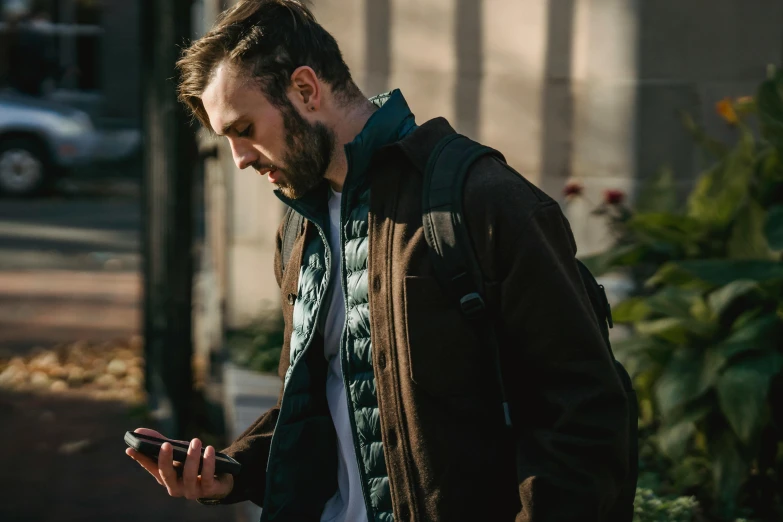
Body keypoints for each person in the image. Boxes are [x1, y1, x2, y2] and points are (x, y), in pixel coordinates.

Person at [126, 1, 631, 520]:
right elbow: (328, 404)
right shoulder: (303, 226)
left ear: (306, 89)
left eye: (245, 129)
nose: (240, 158)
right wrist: (234, 470)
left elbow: (584, 416)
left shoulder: (484, 202)